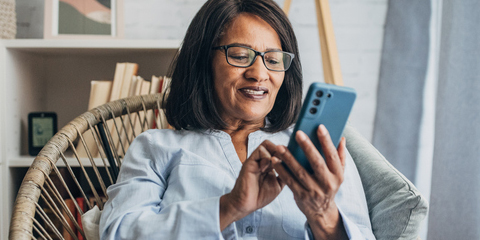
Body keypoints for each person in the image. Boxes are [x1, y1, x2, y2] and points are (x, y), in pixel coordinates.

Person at [99, 0, 375, 239]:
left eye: (273, 59)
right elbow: (118, 233)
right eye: (241, 56)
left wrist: (323, 214)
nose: (259, 73)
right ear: (203, 61)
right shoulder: (155, 147)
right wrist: (229, 206)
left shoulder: (317, 151)